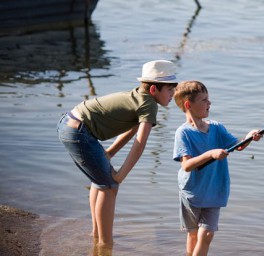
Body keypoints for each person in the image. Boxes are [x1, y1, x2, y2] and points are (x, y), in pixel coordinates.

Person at [57, 60, 179, 249]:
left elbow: (132, 128)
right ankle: (106, 245)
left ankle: (97, 235)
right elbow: (139, 144)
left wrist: (110, 152)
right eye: (170, 90)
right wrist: (121, 175)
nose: (173, 94)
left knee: (101, 181)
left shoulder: (139, 97)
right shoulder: (149, 105)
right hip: (79, 131)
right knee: (110, 185)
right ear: (154, 89)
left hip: (70, 123)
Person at [172, 80, 264, 256]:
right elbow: (186, 165)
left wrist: (250, 137)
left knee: (206, 234)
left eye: (209, 99)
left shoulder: (216, 128)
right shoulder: (183, 133)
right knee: (193, 235)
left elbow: (237, 145)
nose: (210, 103)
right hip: (192, 192)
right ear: (188, 105)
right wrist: (211, 154)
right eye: (204, 100)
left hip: (215, 191)